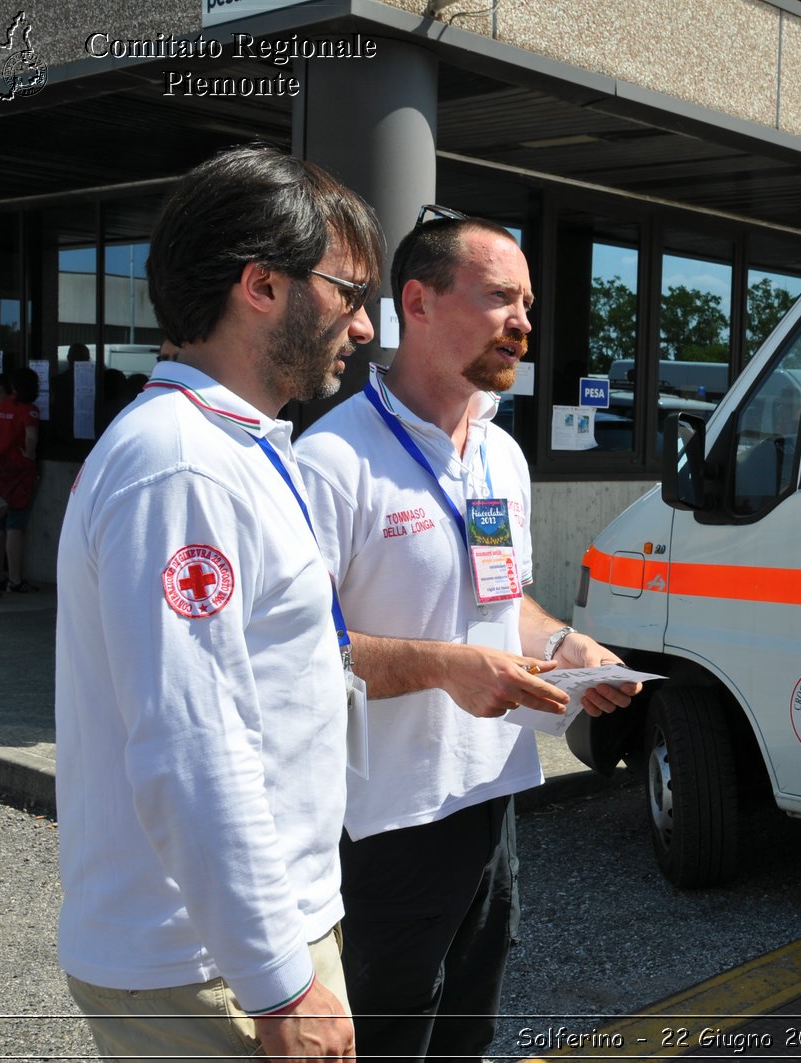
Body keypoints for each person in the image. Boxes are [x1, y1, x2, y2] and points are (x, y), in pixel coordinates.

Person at [54, 144, 385, 1062]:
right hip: (208, 959)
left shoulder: (225, 445)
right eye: (348, 294)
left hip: (227, 941)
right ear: (263, 286)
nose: (362, 328)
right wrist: (280, 978)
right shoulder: (184, 464)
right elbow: (192, 743)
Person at [296, 209, 643, 1062]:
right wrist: (447, 669)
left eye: (527, 302)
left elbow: (504, 597)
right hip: (381, 821)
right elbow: (299, 656)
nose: (524, 322)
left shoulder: (500, 453)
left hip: (491, 797)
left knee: (466, 1035)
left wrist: (569, 646)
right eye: (498, 298)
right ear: (417, 301)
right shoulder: (333, 461)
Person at [0, 365, 40, 592]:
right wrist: (30, 455)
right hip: (20, 473)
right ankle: (15, 580)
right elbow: (31, 436)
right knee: (15, 527)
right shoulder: (29, 411)